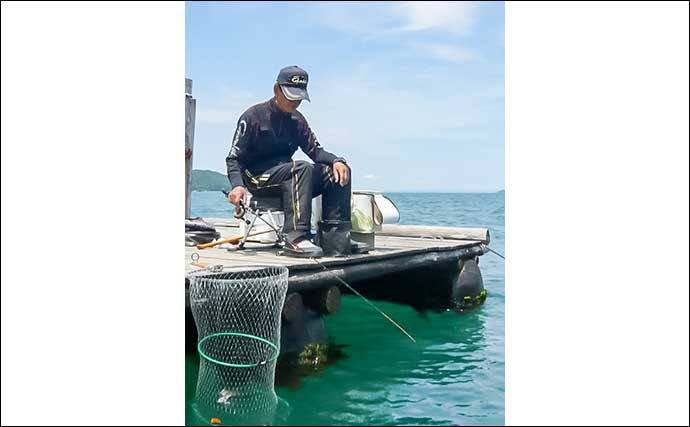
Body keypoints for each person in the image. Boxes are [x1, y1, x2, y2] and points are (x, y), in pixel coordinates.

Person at [225, 65, 367, 257]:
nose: (295, 102)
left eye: (299, 97)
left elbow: (316, 151)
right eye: (290, 95)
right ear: (277, 89)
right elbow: (233, 158)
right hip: (257, 177)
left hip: (291, 174)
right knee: (301, 168)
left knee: (336, 171)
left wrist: (337, 161)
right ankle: (296, 237)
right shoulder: (252, 116)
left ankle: (336, 237)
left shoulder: (297, 120)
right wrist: (237, 186)